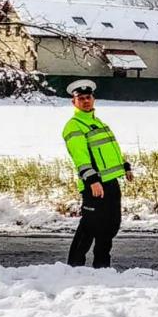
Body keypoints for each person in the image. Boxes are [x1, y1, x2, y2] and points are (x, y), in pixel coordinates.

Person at [62, 80, 127, 267]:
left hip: (110, 183)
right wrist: (92, 180)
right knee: (89, 227)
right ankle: (74, 266)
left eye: (88, 97)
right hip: (95, 185)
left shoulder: (98, 123)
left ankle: (102, 266)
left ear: (94, 99)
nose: (85, 101)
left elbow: (107, 152)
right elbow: (80, 157)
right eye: (80, 98)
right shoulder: (74, 125)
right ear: (73, 102)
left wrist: (124, 166)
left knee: (109, 227)